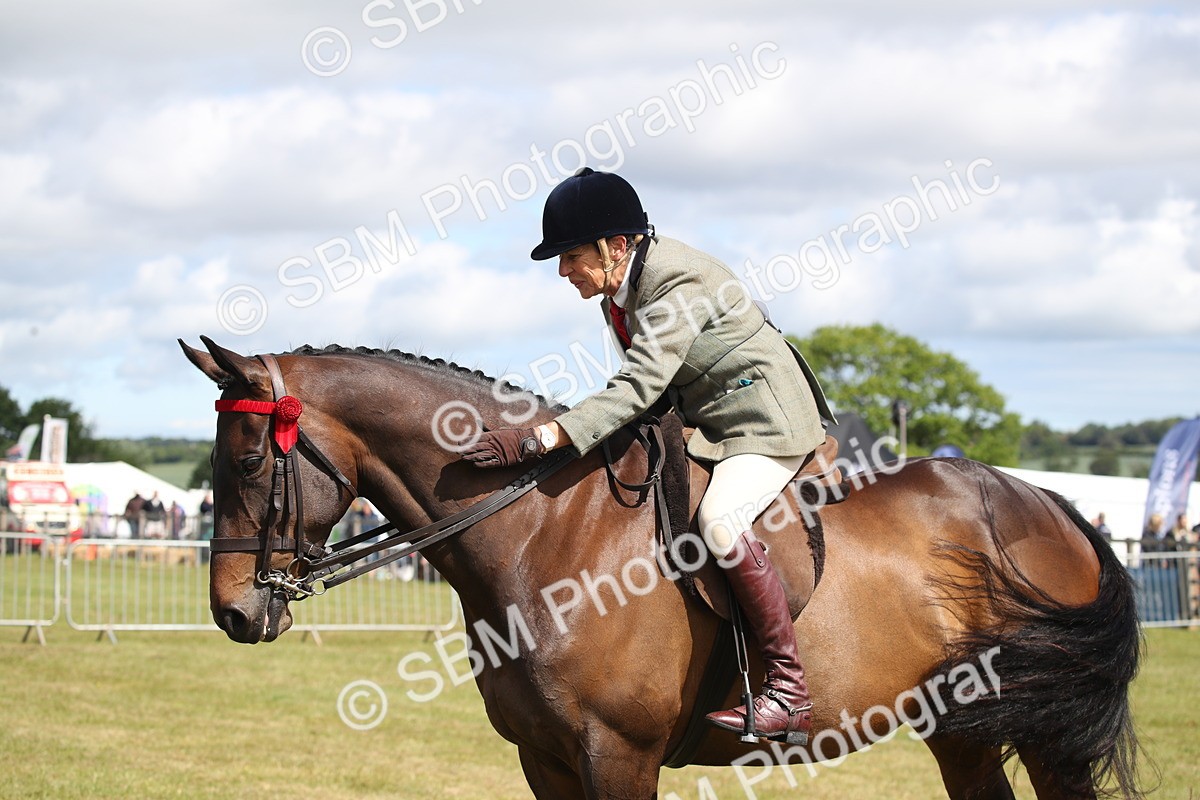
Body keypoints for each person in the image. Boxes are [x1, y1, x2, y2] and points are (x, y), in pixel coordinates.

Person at [460, 168, 836, 744]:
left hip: (764, 423)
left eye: (570, 256)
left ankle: (789, 692)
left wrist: (543, 438)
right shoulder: (619, 291)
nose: (563, 271)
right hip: (707, 423)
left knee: (719, 521)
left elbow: (639, 386)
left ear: (615, 246)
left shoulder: (676, 280)